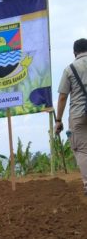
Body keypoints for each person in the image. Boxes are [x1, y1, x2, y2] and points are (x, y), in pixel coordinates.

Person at [55, 38, 87, 195]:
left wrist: (58, 120)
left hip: (79, 115)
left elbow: (62, 97)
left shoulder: (69, 69)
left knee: (81, 149)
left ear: (74, 52)